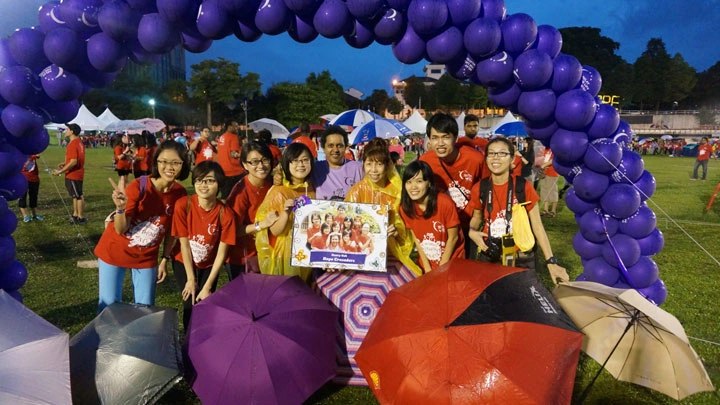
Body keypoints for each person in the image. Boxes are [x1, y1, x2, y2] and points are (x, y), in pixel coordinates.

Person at [94, 140, 190, 312]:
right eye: (164, 162)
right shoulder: (140, 186)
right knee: (108, 307)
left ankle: (141, 340)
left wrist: (165, 259)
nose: (169, 167)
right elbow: (120, 229)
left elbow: (171, 231)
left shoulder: (180, 193)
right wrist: (120, 209)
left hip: (146, 258)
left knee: (145, 308)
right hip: (115, 250)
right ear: (156, 163)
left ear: (183, 164)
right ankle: (109, 339)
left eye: (175, 162)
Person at [467, 137, 569, 285]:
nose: (496, 158)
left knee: (521, 302)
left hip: (521, 257)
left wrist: (551, 261)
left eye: (502, 153)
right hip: (490, 255)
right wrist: (471, 231)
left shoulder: (523, 187)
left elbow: (538, 226)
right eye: (491, 153)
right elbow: (476, 218)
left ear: (512, 159)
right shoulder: (480, 188)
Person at [172, 161, 237, 330]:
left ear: (219, 184)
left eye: (210, 180)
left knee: (205, 301)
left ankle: (201, 342)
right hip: (183, 261)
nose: (204, 185)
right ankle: (187, 343)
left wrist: (207, 286)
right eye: (199, 180)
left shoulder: (225, 213)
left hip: (208, 263)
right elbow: (184, 245)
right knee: (190, 301)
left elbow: (222, 253)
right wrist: (191, 279)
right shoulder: (183, 205)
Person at [345, 138, 422, 275]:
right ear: (363, 164)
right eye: (369, 164)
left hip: (392, 255)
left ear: (387, 165)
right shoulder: (356, 191)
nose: (373, 170)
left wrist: (396, 232)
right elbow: (345, 227)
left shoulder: (397, 192)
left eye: (379, 164)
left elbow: (408, 232)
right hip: (361, 256)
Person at [420, 113, 486, 256]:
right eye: (435, 138)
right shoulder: (425, 162)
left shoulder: (475, 159)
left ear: (456, 138)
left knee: (467, 272)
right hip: (440, 228)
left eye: (445, 137)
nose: (440, 143)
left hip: (469, 227)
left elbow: (486, 188)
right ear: (429, 141)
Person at [255, 143, 316, 281]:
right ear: (286, 164)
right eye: (295, 160)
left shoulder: (311, 188)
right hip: (285, 257)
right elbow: (275, 231)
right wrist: (285, 213)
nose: (300, 164)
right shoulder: (279, 192)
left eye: (305, 160)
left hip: (307, 253)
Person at [225, 141, 279, 280]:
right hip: (244, 258)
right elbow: (233, 231)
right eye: (254, 162)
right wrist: (260, 225)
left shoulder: (272, 184)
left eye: (265, 160)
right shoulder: (240, 192)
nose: (261, 166)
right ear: (245, 165)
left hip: (268, 253)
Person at [400, 160, 465, 273]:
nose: (413, 187)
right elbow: (418, 241)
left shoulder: (444, 203)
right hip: (429, 265)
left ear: (429, 183)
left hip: (452, 263)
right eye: (409, 182)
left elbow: (453, 238)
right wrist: (427, 268)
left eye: (419, 181)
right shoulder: (405, 208)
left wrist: (442, 268)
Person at [312, 125, 365, 201]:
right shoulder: (315, 169)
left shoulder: (358, 168)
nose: (335, 150)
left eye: (339, 146)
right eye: (330, 146)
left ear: (346, 147)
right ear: (323, 148)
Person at [52, 123, 87, 224]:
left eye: (67, 129)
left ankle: (80, 217)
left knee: (78, 195)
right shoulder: (79, 143)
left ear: (72, 132)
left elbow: (73, 161)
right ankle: (75, 215)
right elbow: (76, 159)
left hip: (74, 174)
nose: (66, 131)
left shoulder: (72, 144)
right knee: (75, 195)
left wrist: (60, 171)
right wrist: (65, 163)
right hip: (77, 173)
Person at [217, 120, 245, 198]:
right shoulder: (233, 137)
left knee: (225, 196)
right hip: (234, 171)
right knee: (239, 196)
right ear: (229, 127)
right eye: (235, 126)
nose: (237, 128)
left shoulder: (222, 137)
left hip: (223, 170)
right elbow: (233, 154)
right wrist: (244, 155)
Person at [18, 154, 43, 223]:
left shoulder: (32, 152)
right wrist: (33, 157)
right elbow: (24, 162)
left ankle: (35, 214)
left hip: (34, 178)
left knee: (34, 196)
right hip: (23, 178)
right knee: (22, 196)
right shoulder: (21, 154)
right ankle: (25, 215)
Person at [539, 147, 559, 218]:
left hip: (553, 173)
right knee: (544, 191)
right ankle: (545, 209)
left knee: (553, 192)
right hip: (545, 172)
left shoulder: (555, 149)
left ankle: (553, 211)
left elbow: (554, 160)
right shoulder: (546, 149)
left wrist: (544, 165)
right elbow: (544, 158)